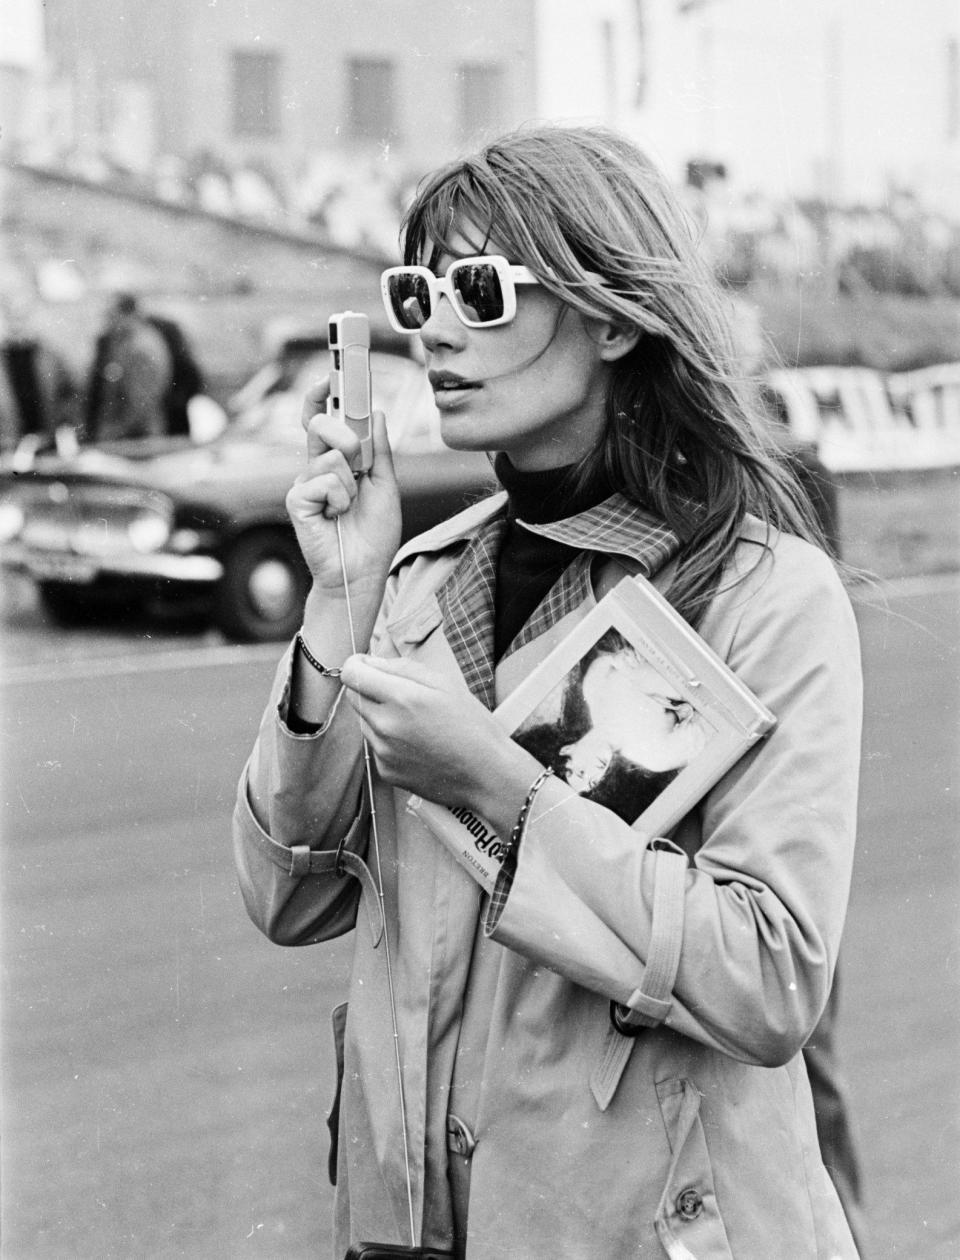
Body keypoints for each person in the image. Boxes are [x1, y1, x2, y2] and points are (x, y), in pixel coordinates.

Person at [233, 125, 864, 1258]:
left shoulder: (757, 591)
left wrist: (498, 791)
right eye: (417, 290)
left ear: (614, 318)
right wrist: (342, 596)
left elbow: (771, 980)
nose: (433, 328)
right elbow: (289, 898)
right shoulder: (417, 578)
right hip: (409, 1230)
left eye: (480, 289)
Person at [83, 293, 173, 441]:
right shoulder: (127, 342)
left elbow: (141, 402)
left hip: (137, 436)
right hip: (130, 434)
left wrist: (114, 431)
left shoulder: (140, 347)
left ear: (127, 314)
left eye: (111, 315)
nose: (108, 321)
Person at [0, 288, 80, 455]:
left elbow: (69, 397)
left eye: (22, 316)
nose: (17, 323)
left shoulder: (50, 357)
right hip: (9, 450)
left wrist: (65, 428)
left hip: (48, 446)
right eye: (11, 316)